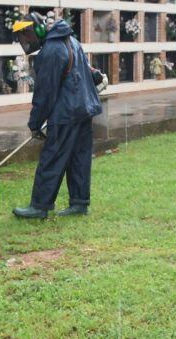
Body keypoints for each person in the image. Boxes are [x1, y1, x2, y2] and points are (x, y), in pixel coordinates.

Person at [11, 13, 107, 219]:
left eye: (26, 35)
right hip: (84, 109)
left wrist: (35, 123)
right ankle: (79, 203)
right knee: (78, 158)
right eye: (21, 38)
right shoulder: (70, 39)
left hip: (66, 114)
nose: (25, 42)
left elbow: (45, 93)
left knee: (52, 158)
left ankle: (39, 206)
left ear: (37, 30)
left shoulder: (50, 52)